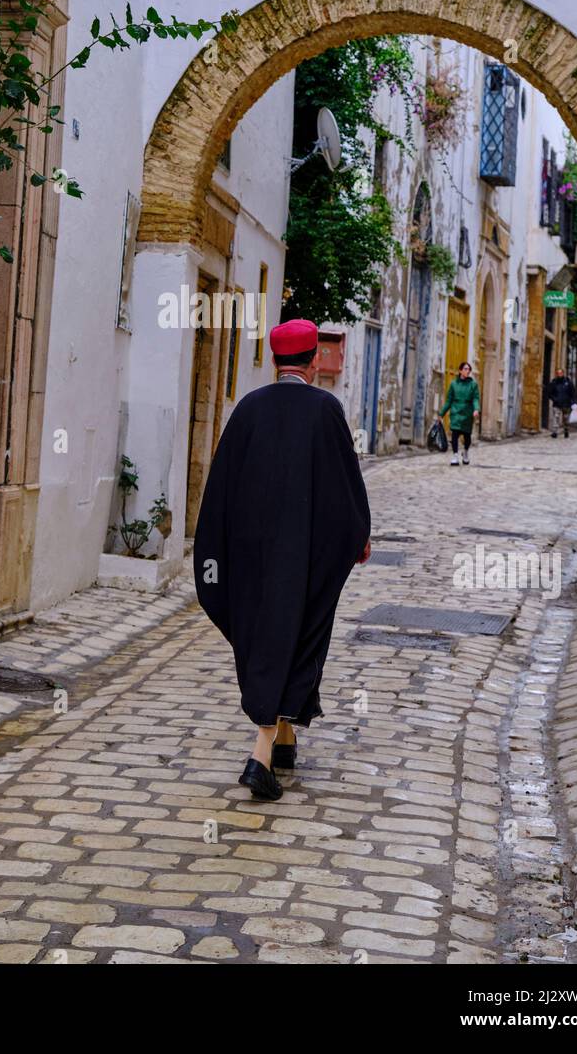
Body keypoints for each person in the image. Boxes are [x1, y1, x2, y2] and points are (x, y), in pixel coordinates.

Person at [193, 317, 371, 802]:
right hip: (305, 552)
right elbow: (345, 484)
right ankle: (261, 754)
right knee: (296, 631)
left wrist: (218, 549)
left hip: (250, 553)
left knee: (264, 631)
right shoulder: (325, 410)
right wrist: (358, 537)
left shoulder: (249, 408)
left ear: (274, 361)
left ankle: (287, 738)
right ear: (314, 360)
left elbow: (220, 486)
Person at [440, 361, 481, 466]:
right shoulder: (454, 384)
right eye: (465, 369)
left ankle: (466, 452)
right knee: (455, 434)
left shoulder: (473, 385)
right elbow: (449, 400)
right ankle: (455, 455)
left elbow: (476, 398)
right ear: (460, 370)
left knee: (467, 436)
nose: (467, 371)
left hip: (467, 414)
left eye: (469, 369)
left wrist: (476, 409)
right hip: (456, 413)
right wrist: (441, 414)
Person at [548, 367, 576, 438]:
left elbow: (572, 392)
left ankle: (566, 430)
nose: (559, 374)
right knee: (556, 417)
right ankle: (555, 432)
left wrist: (573, 402)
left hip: (566, 404)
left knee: (566, 419)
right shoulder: (554, 382)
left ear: (563, 373)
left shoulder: (568, 382)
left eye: (560, 373)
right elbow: (549, 393)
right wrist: (554, 399)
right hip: (557, 403)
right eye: (558, 373)